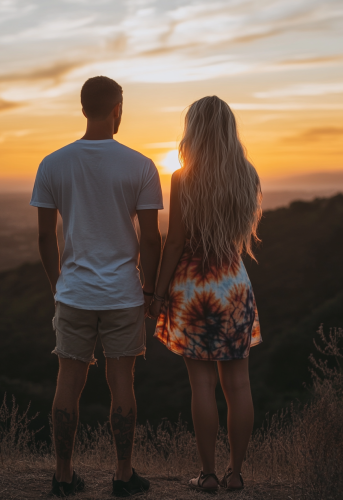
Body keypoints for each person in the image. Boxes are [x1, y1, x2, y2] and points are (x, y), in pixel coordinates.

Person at [30, 76, 163, 498]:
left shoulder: (53, 163)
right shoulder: (140, 165)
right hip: (124, 292)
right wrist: (150, 292)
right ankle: (123, 476)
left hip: (74, 293)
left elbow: (45, 237)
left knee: (67, 381)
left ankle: (64, 476)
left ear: (84, 107)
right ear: (117, 108)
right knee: (122, 381)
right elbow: (152, 239)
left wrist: (58, 286)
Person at [149, 96, 262, 492]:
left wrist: (158, 293)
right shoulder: (247, 175)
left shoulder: (184, 177)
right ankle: (235, 474)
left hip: (194, 289)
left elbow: (176, 240)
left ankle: (209, 475)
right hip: (234, 287)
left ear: (193, 130)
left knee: (202, 386)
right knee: (239, 386)